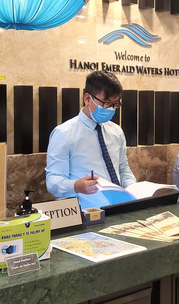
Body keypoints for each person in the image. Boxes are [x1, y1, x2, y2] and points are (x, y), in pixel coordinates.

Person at [45, 71, 136, 209]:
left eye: (115, 105)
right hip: (86, 213)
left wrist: (133, 188)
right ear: (87, 99)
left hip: (121, 210)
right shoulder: (64, 133)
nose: (111, 109)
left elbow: (123, 169)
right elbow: (53, 181)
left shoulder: (116, 131)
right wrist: (76, 186)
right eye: (106, 104)